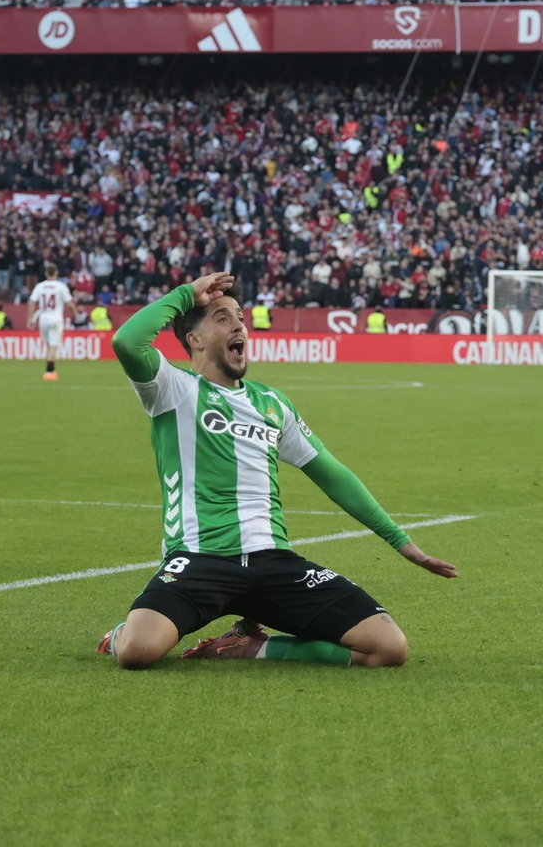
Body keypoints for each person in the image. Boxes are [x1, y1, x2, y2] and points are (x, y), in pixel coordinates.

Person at [97, 271, 457, 670]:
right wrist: (187, 294)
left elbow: (331, 473)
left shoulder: (272, 403)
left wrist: (402, 542)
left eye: (240, 317)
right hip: (200, 560)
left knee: (389, 648)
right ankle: (120, 634)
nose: (239, 325)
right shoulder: (173, 389)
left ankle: (252, 645)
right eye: (222, 318)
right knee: (136, 653)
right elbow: (126, 340)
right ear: (194, 339)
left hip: (273, 562)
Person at [27, 262, 75, 381]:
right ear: (56, 272)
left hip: (43, 319)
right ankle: (48, 372)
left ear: (45, 273)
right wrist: (76, 314)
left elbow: (32, 302)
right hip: (55, 319)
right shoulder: (61, 286)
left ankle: (52, 371)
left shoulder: (40, 286)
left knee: (48, 345)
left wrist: (30, 319)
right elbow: (69, 303)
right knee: (54, 346)